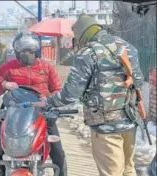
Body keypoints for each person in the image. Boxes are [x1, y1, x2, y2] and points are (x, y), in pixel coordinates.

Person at [34, 14, 144, 176]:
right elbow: (139, 81)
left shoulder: (88, 53)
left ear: (82, 35)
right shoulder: (127, 47)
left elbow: (71, 93)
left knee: (111, 173)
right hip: (130, 120)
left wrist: (48, 102)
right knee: (128, 170)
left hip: (106, 125)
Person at [0, 32, 67, 176]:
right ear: (17, 52)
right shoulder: (8, 68)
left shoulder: (46, 68)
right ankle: (0, 168)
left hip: (42, 114)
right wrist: (4, 84)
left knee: (58, 151)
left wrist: (48, 101)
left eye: (30, 51)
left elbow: (57, 89)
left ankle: (61, 173)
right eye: (23, 51)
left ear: (36, 51)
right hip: (14, 115)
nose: (27, 54)